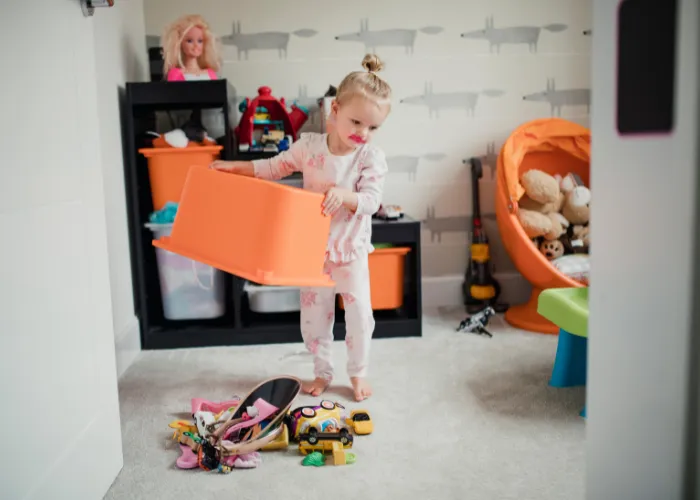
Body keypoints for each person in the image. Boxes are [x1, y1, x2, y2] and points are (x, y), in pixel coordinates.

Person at [210, 54, 392, 401]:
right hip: (312, 251)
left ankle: (358, 372)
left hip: (349, 252)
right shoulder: (309, 147)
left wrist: (347, 195)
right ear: (334, 111)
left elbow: (372, 202)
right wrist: (237, 167)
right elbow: (274, 167)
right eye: (356, 122)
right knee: (313, 319)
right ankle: (322, 372)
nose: (363, 133)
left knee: (358, 316)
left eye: (372, 127)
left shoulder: (370, 157)